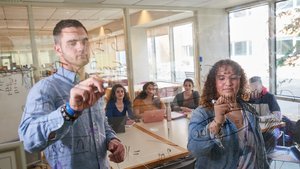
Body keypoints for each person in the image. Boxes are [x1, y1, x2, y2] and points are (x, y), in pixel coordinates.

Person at [18, 19, 125, 169]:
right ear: (58, 49)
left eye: (85, 41)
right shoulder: (44, 89)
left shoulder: (93, 84)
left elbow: (101, 124)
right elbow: (29, 142)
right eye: (72, 43)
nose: (81, 47)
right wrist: (69, 111)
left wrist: (112, 140)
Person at [187, 59, 269, 169]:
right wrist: (216, 123)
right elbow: (194, 149)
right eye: (221, 78)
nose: (228, 83)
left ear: (240, 82)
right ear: (214, 83)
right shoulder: (202, 113)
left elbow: (260, 150)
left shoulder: (249, 110)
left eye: (234, 78)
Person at [248, 76, 281, 153]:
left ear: (261, 85)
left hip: (270, 128)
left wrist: (260, 119)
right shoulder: (248, 98)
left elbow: (278, 117)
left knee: (267, 139)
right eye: (251, 87)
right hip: (253, 128)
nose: (254, 89)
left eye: (256, 86)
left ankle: (264, 158)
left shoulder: (270, 97)